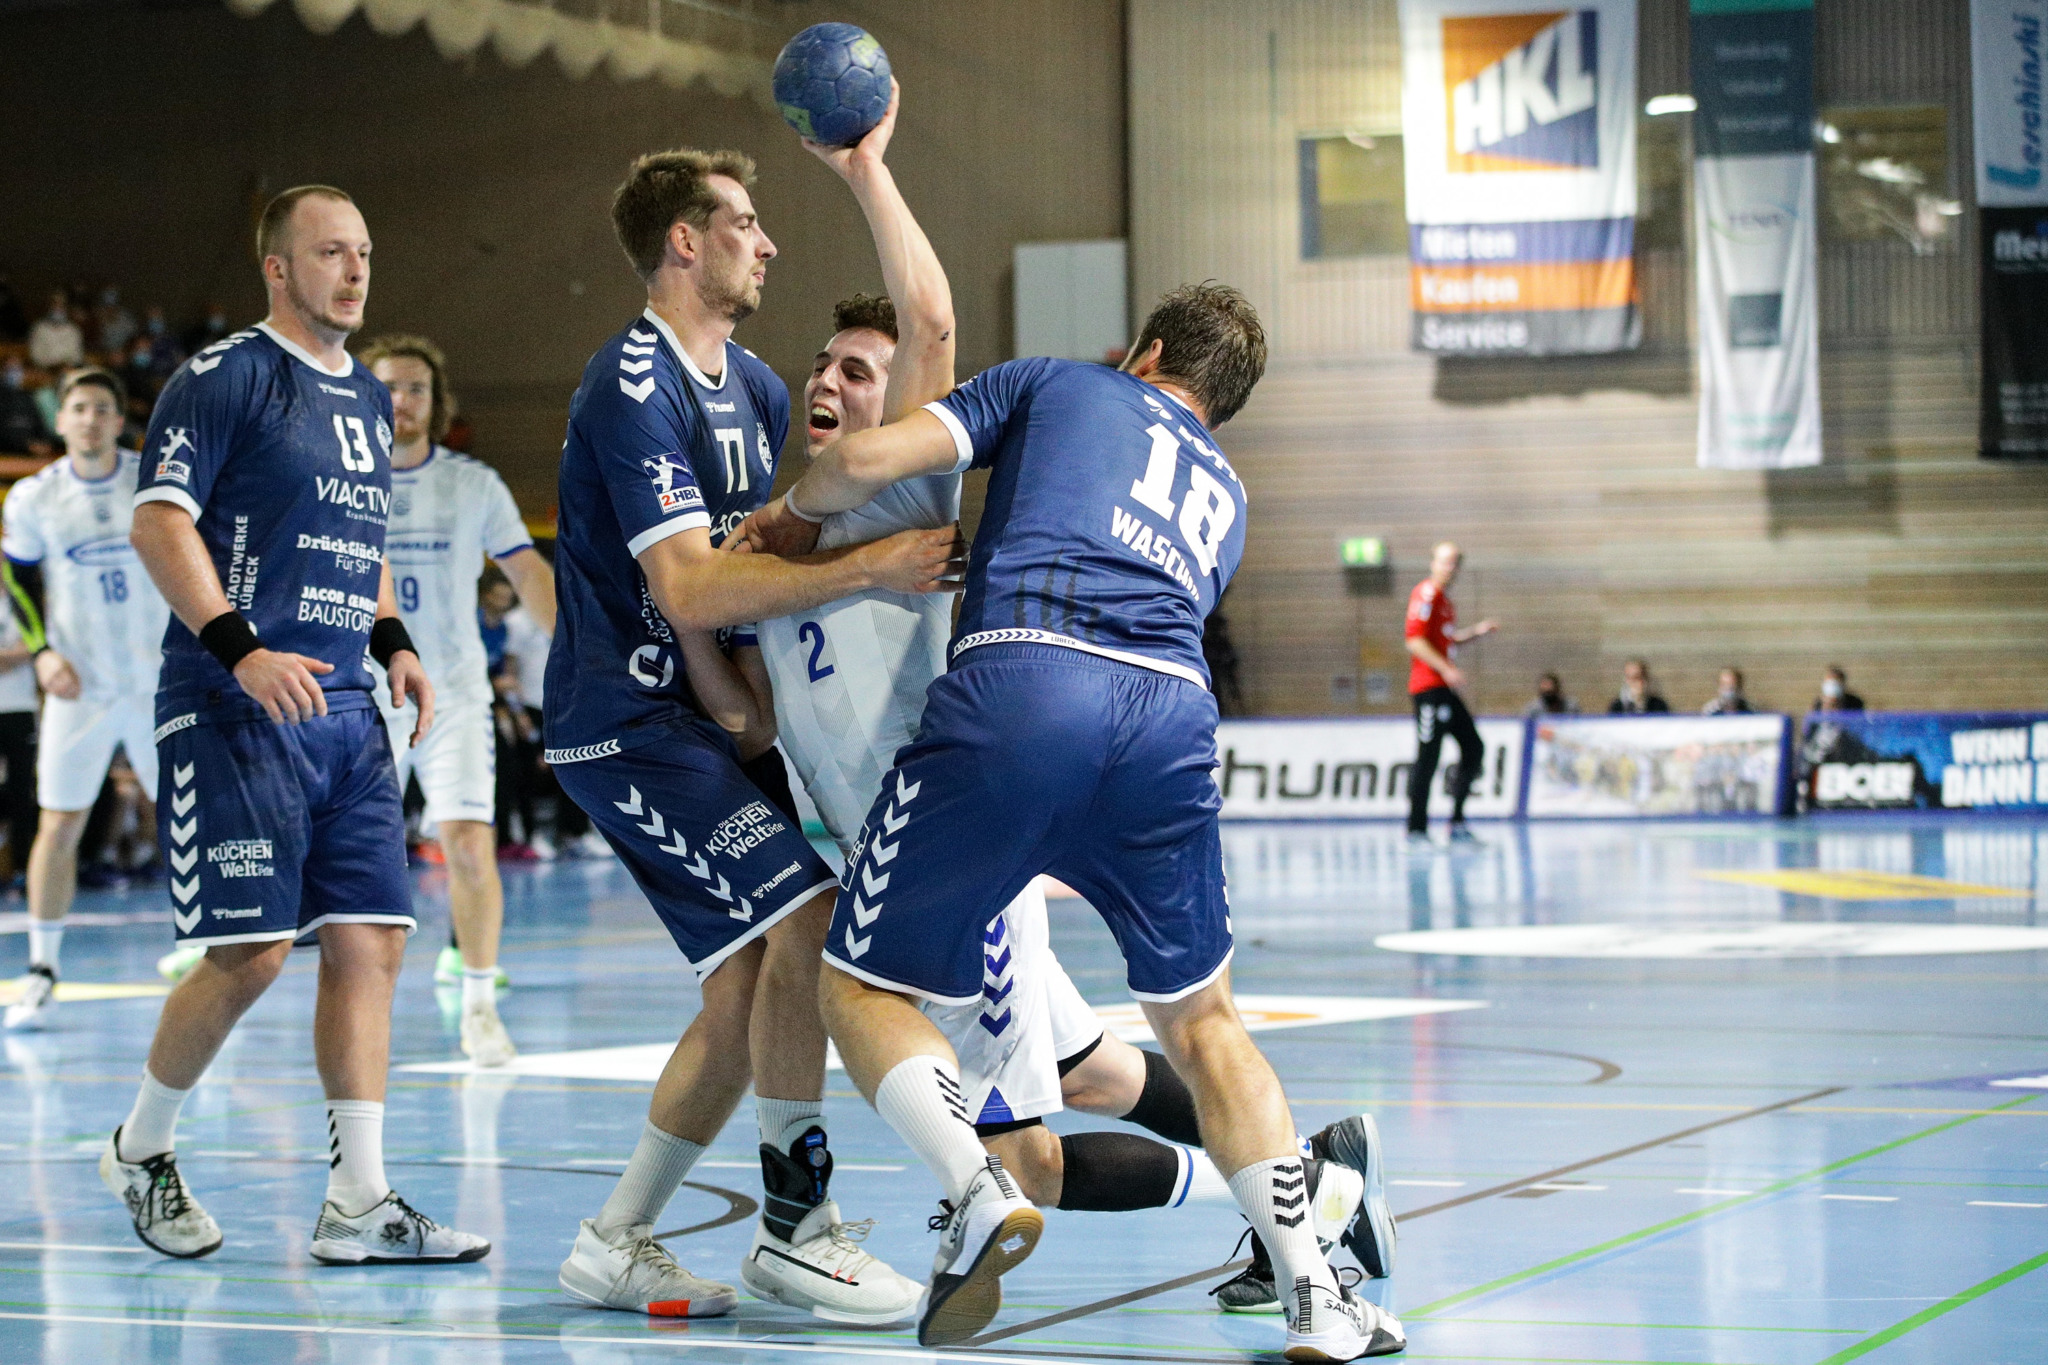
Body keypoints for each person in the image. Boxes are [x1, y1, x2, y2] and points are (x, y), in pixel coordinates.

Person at [737, 90, 1391, 1320]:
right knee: (1170, 1034)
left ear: (1140, 354)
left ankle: (971, 1190)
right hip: (1163, 716)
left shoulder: (1038, 402)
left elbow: (895, 410)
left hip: (1008, 727)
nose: (829, 381)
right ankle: (1318, 1249)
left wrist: (795, 513)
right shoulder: (1227, 494)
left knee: (870, 1002)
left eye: (851, 369)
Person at [541, 147, 958, 1325]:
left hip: (691, 715)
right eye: (744, 222)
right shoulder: (629, 385)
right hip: (620, 720)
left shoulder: (759, 390)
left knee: (745, 992)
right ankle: (795, 1225)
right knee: (807, 917)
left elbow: (749, 565)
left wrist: (742, 705)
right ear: (687, 242)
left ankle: (617, 1238)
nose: (766, 243)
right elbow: (688, 586)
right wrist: (872, 569)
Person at [102, 185, 488, 1266]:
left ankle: (359, 1201)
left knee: (372, 942)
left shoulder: (367, 396)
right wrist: (241, 647)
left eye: (364, 251)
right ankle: (141, 1147)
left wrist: (394, 640)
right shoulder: (224, 378)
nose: (355, 270)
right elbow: (158, 519)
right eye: (330, 252)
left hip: (348, 714)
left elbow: (356, 540)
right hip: (234, 705)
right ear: (278, 267)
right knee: (254, 953)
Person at [360, 333, 554, 1066]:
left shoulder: (472, 484)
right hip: (363, 695)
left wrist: (568, 654)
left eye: (415, 388)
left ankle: (479, 1004)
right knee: (365, 860)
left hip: (455, 694)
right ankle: (363, 1010)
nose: (401, 401)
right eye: (387, 387)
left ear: (437, 405)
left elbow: (527, 568)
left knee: (469, 843)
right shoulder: (341, 483)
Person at [1, 369, 169, 1031]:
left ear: (119, 419)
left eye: (103, 407)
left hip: (157, 680)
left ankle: (199, 949)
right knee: (59, 823)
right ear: (61, 420)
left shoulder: (153, 479)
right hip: (81, 684)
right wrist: (41, 650)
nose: (91, 419)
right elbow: (16, 578)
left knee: (182, 815)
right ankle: (42, 966)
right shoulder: (35, 497)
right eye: (79, 408)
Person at [1404, 541, 1496, 844]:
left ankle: (1456, 822)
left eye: (1455, 562)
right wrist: (1445, 668)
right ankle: (1416, 830)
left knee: (1473, 747)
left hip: (1444, 690)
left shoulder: (1445, 602)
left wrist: (1475, 633)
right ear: (1432, 563)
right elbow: (1415, 641)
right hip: (1428, 690)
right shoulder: (1426, 594)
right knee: (1427, 759)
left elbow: (1446, 641)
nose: (1450, 568)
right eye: (1444, 561)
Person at [27, 294, 83, 371]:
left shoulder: (73, 330)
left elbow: (77, 355)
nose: (57, 309)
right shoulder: (39, 328)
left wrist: (66, 365)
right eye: (55, 305)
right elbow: (35, 354)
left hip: (67, 370)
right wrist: (52, 365)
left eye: (61, 306)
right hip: (44, 371)